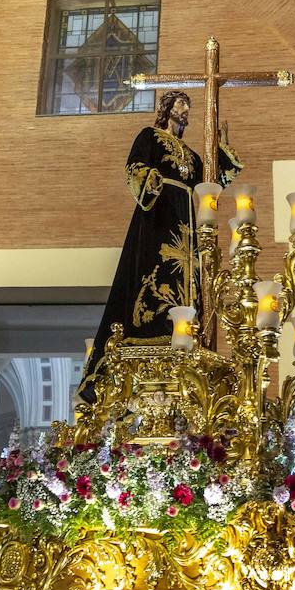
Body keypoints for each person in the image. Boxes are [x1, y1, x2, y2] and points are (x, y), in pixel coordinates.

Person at [79, 91, 242, 401]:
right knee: (153, 266)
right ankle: (150, 329)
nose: (185, 110)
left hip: (186, 218)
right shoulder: (149, 136)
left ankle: (184, 328)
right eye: (181, 104)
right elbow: (134, 167)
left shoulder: (192, 156)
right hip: (158, 212)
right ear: (167, 108)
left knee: (187, 273)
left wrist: (221, 151)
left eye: (188, 106)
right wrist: (152, 180)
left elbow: (211, 180)